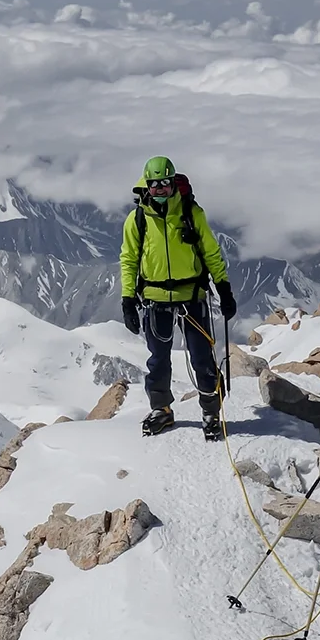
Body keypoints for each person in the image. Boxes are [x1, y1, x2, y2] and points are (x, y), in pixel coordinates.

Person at [118, 156, 235, 439]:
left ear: (173, 183)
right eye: (155, 184)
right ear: (146, 185)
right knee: (158, 360)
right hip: (155, 298)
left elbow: (210, 251)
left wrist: (223, 287)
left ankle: (210, 413)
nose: (160, 189)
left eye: (165, 183)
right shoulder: (138, 219)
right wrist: (128, 299)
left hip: (191, 295)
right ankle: (162, 410)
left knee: (201, 357)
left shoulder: (191, 213)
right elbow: (128, 259)